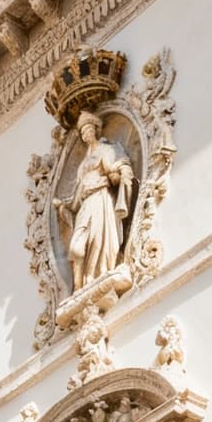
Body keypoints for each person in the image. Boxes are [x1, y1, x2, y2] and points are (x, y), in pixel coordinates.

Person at [53, 110, 134, 292]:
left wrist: (117, 175)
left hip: (101, 198)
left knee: (99, 241)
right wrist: (65, 206)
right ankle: (78, 285)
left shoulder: (105, 151)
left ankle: (96, 276)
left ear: (96, 130)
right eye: (82, 133)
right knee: (76, 246)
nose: (86, 135)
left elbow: (115, 171)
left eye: (88, 130)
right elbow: (78, 194)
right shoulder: (84, 163)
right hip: (87, 203)